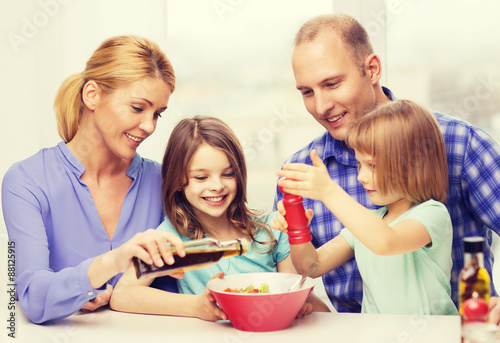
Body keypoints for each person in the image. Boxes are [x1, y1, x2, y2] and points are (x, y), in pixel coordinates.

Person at [274, 13, 500, 317]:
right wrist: (296, 226)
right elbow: (306, 269)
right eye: (307, 92)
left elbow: (385, 241)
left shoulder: (459, 146)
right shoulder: (304, 171)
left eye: (332, 83)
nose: (321, 106)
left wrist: (328, 191)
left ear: (372, 69)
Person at [1, 35, 186, 324]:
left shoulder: (162, 180)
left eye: (157, 115)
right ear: (92, 95)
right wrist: (110, 263)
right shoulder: (26, 182)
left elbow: (182, 281)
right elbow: (31, 296)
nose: (149, 126)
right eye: (138, 108)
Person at [110, 115, 330, 320]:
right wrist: (197, 306)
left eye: (228, 173)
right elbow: (123, 294)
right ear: (178, 181)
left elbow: (295, 292)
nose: (217, 186)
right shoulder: (171, 239)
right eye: (201, 177)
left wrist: (297, 306)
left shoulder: (271, 229)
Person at [272, 100, 458, 315]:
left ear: (414, 165)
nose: (361, 176)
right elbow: (311, 267)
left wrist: (328, 191)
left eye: (373, 166)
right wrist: (298, 230)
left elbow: (386, 242)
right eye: (360, 164)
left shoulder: (432, 214)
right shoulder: (367, 225)